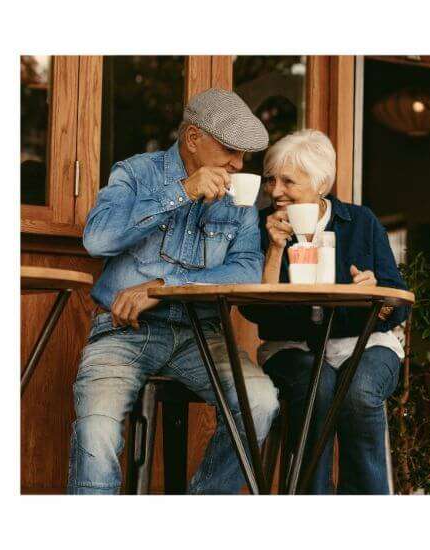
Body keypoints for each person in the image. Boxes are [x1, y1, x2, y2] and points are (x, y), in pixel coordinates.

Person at [67, 88, 279, 494]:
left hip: (202, 336)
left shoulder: (240, 197)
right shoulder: (136, 172)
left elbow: (248, 268)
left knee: (261, 402)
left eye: (243, 155)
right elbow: (97, 240)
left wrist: (166, 288)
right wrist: (182, 190)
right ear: (193, 139)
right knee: (97, 429)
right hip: (123, 332)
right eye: (230, 150)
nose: (238, 164)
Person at [240, 129, 410, 494]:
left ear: (320, 183)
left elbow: (397, 300)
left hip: (365, 344)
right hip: (293, 348)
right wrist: (274, 250)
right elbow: (256, 312)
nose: (275, 190)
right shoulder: (260, 227)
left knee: (359, 392)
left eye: (288, 180)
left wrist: (375, 294)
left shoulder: (360, 223)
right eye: (271, 180)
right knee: (317, 389)